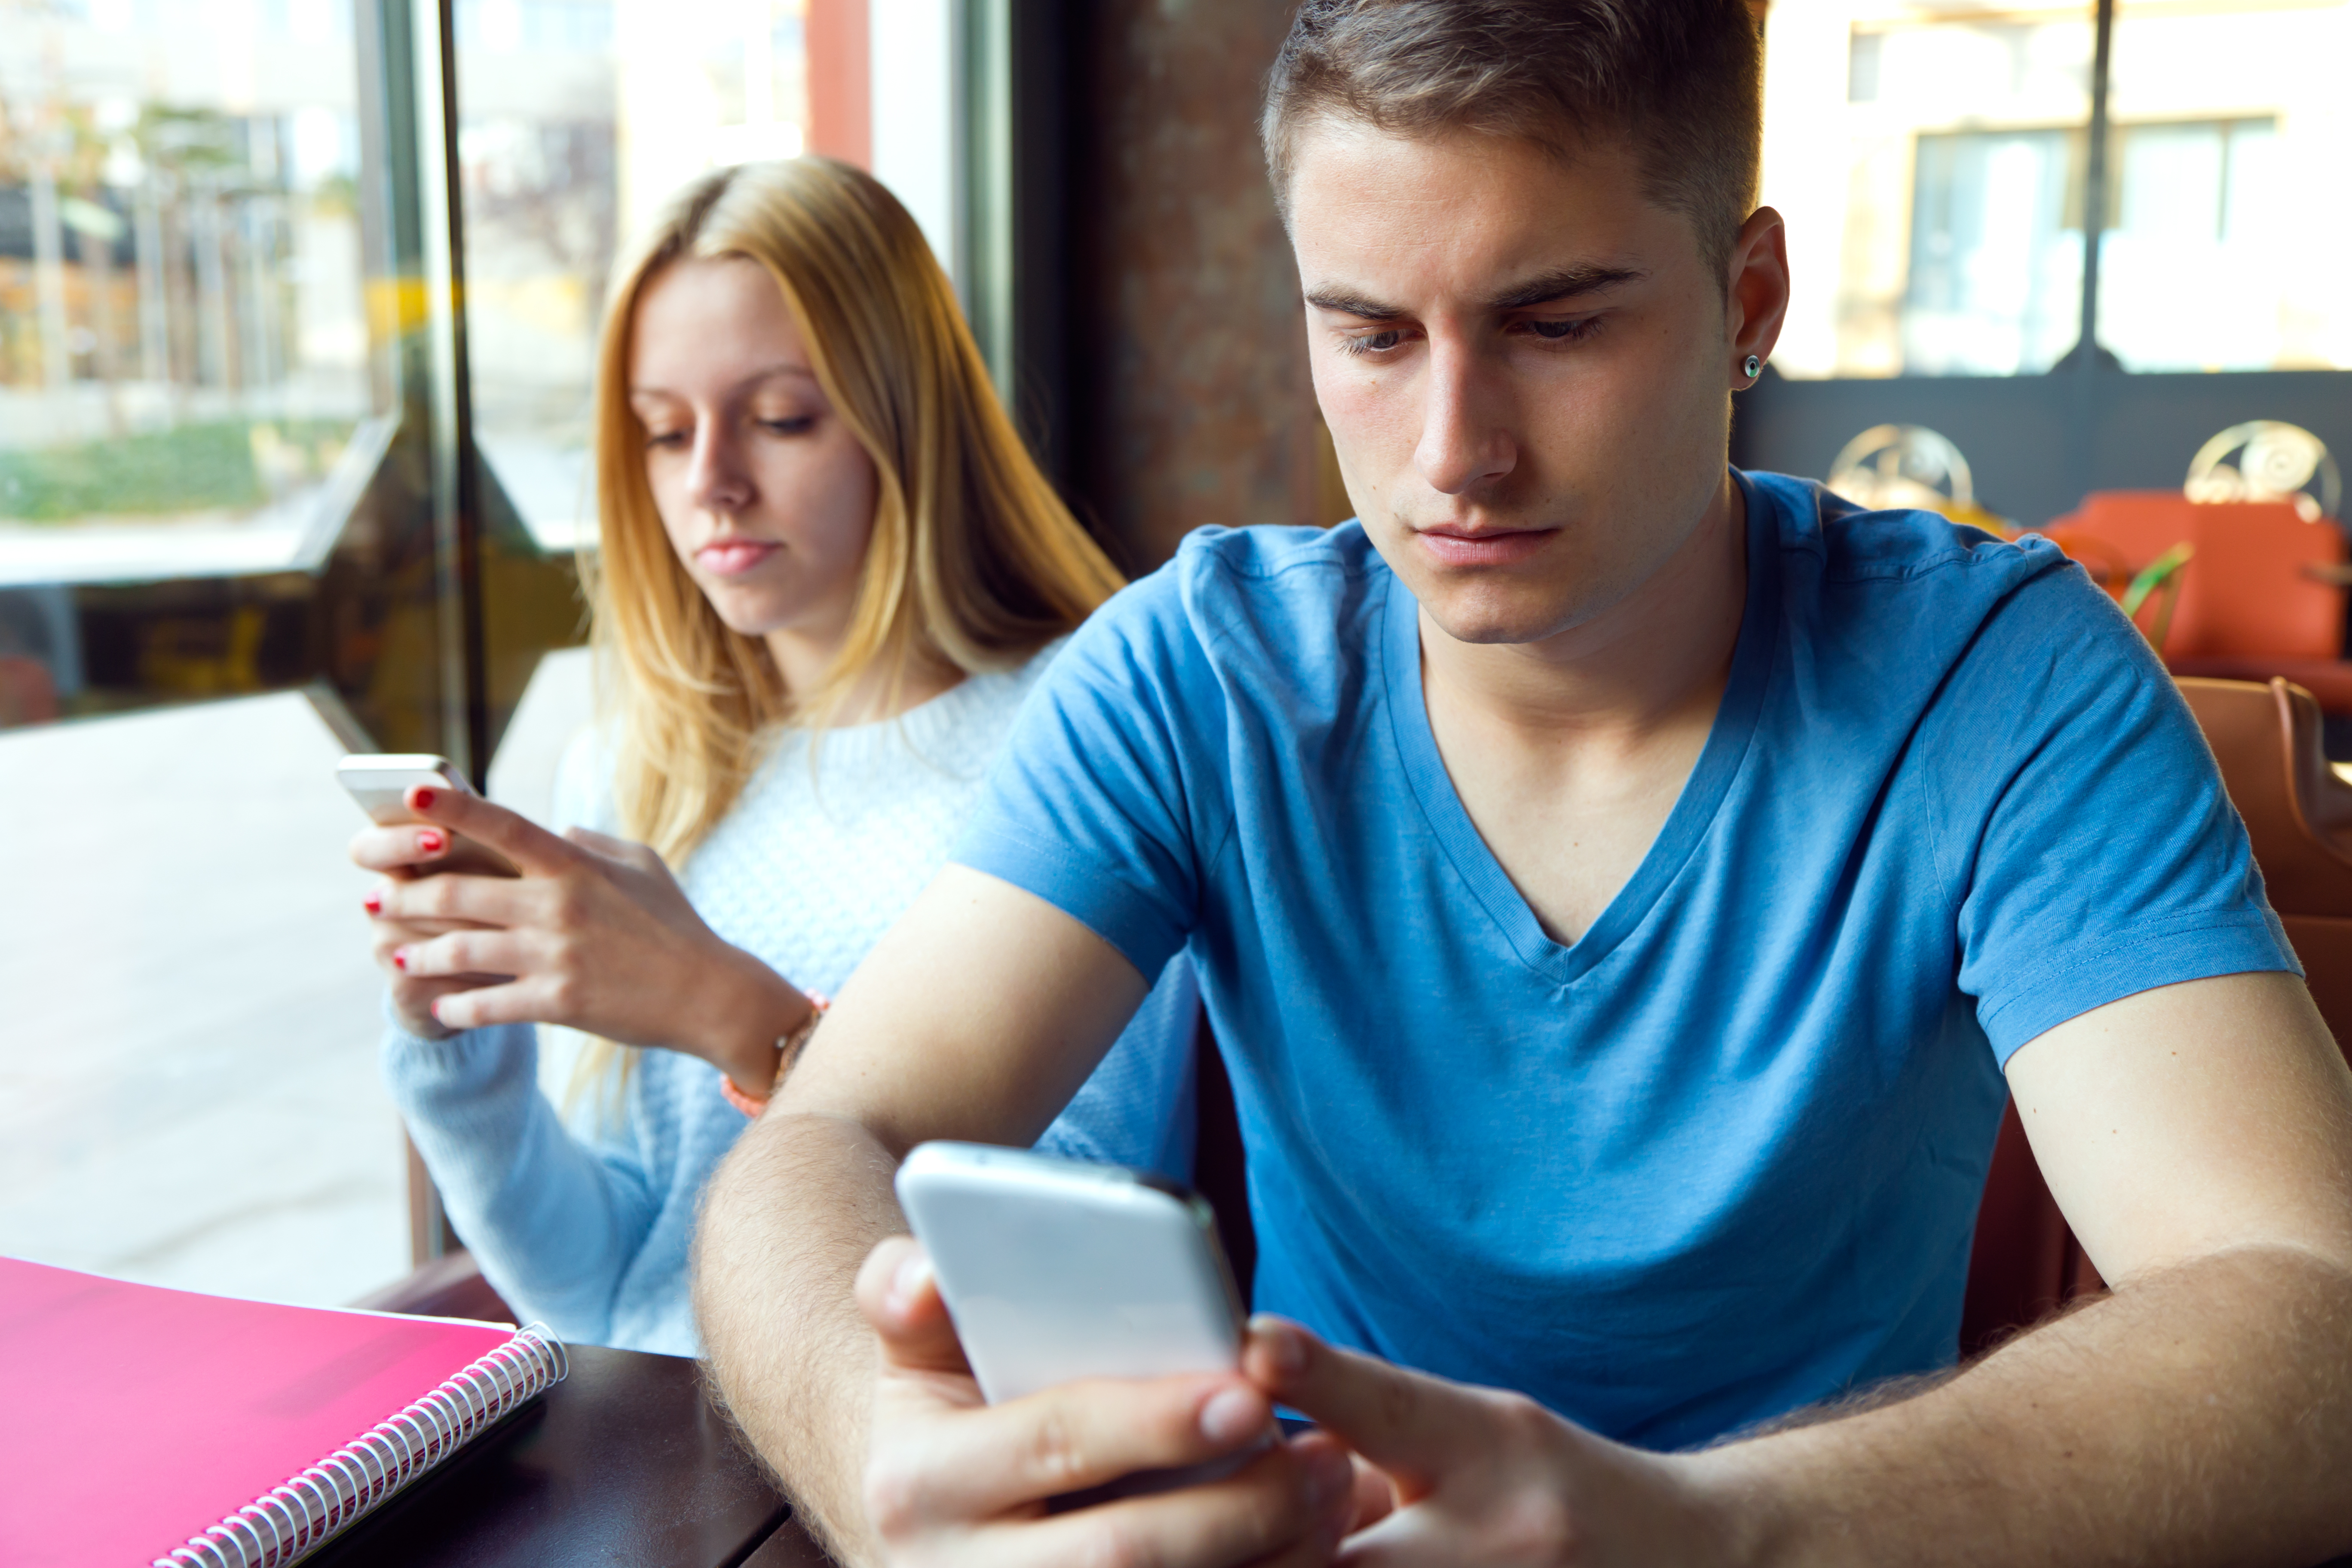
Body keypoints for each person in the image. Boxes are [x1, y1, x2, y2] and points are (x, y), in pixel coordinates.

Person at [693, 2, 2352, 1563]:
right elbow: (834, 1130)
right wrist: (875, 1467)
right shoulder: (1198, 674)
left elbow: (2311, 1314)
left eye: (1554, 324)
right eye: (1370, 334)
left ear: (1748, 299)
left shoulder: (2002, 681)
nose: (1453, 452)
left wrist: (1698, 1535)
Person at [351, 158, 1197, 1357]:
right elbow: (609, 1288)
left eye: (782, 418)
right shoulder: (637, 765)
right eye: (662, 433)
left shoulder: (1089, 726)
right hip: (675, 1451)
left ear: (904, 416)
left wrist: (729, 1012)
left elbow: (1073, 1261)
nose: (711, 486)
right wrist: (461, 1044)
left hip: (945, 1435)